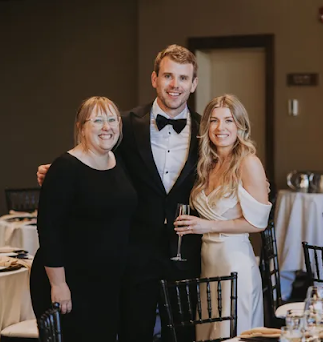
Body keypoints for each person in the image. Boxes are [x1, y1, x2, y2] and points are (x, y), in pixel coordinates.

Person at [37, 45, 202, 342]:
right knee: (131, 333)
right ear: (154, 79)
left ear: (193, 84)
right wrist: (56, 172)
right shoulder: (124, 124)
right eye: (167, 76)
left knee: (183, 334)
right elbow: (91, 157)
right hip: (132, 254)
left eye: (183, 78)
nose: (174, 85)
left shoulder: (206, 132)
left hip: (184, 254)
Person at [30, 96, 137, 342]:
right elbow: (49, 230)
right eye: (97, 120)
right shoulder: (64, 168)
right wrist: (59, 285)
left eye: (112, 120)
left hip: (106, 281)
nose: (106, 127)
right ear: (81, 127)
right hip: (71, 280)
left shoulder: (118, 161)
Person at [174, 94, 272, 339]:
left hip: (235, 264)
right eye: (214, 121)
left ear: (240, 125)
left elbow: (257, 223)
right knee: (209, 333)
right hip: (208, 265)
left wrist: (205, 225)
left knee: (232, 335)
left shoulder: (248, 163)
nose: (221, 128)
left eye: (228, 121)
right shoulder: (207, 163)